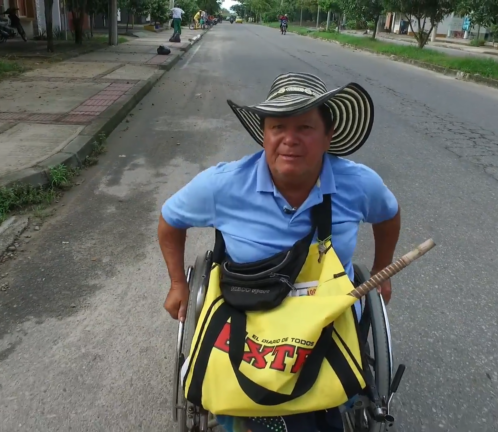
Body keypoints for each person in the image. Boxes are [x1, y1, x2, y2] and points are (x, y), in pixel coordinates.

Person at [159, 72, 401, 432]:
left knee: (327, 393)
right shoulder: (223, 185)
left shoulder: (358, 184)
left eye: (305, 127)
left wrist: (382, 274)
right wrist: (178, 284)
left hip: (328, 312)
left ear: (327, 136)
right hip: (247, 309)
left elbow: (388, 216)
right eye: (278, 127)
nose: (289, 140)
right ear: (264, 134)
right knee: (242, 397)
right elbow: (169, 222)